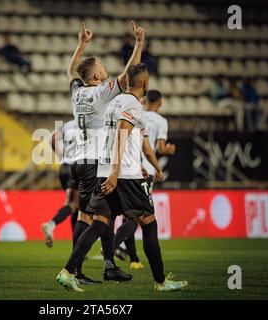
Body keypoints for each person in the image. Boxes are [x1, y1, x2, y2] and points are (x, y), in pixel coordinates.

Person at [57, 63, 188, 292]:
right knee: (149, 223)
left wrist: (131, 165)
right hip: (124, 175)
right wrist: (120, 170)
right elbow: (121, 135)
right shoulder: (132, 104)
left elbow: (120, 137)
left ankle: (68, 272)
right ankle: (160, 282)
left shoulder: (113, 103)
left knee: (98, 223)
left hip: (105, 170)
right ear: (144, 84)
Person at [55, 21, 146, 290]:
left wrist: (81, 44)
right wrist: (139, 44)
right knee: (100, 219)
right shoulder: (99, 94)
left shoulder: (78, 93)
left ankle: (98, 268)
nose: (106, 70)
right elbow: (130, 74)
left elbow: (71, 70)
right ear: (96, 77)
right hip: (96, 162)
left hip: (79, 161)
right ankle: (76, 270)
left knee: (89, 217)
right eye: (102, 69)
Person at [113, 90, 175, 270]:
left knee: (129, 215)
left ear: (145, 100)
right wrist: (168, 152)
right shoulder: (161, 121)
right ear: (160, 103)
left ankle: (134, 259)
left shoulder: (134, 111)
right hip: (144, 172)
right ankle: (113, 245)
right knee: (141, 217)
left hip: (128, 167)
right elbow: (159, 148)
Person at [41, 120, 79, 248]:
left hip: (64, 167)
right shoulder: (91, 121)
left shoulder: (68, 125)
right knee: (77, 206)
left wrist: (61, 156)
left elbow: (52, 139)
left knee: (73, 206)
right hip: (78, 167)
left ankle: (76, 247)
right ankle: (51, 224)